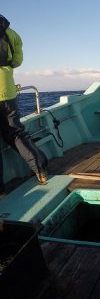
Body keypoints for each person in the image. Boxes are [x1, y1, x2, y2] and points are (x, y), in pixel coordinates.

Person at [0, 14, 48, 193]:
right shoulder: (10, 32)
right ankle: (41, 169)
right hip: (7, 90)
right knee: (15, 133)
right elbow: (17, 61)